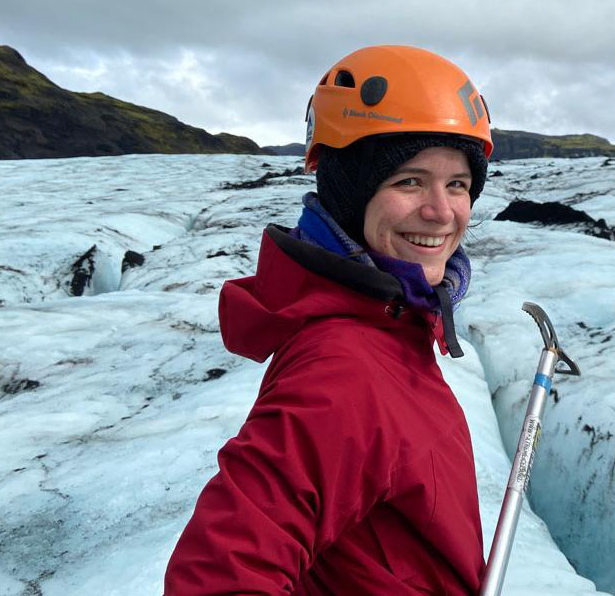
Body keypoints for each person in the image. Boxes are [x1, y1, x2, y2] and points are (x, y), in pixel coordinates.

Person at [164, 45, 494, 595]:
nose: (441, 211)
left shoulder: (390, 326)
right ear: (347, 193)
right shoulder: (343, 367)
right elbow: (219, 574)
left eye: (457, 184)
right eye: (409, 180)